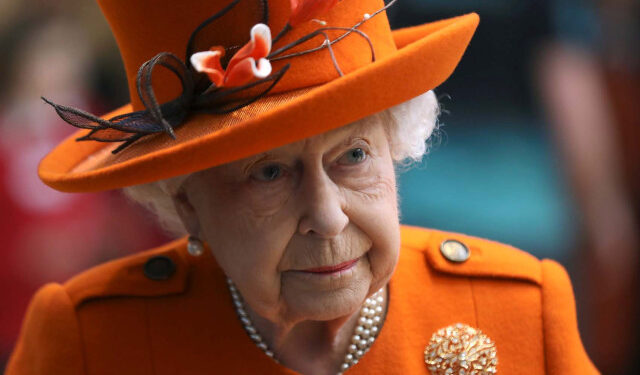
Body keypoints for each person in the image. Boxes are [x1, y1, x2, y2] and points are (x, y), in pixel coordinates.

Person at [6, 0, 599, 374]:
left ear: (396, 150)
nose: (329, 217)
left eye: (354, 155)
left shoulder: (520, 311)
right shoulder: (91, 342)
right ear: (187, 203)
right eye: (268, 172)